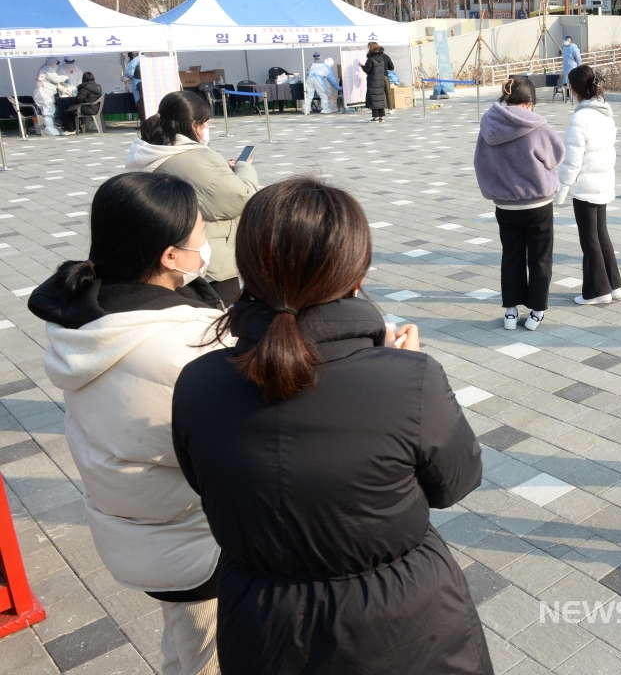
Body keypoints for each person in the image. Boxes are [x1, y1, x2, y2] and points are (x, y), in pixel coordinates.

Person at [171, 177, 490, 675]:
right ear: (353, 270)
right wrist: (403, 374)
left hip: (261, 622)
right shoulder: (409, 380)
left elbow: (204, 481)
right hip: (403, 623)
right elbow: (455, 483)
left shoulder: (197, 383)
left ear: (249, 265)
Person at [29, 173, 225, 675]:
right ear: (169, 256)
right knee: (212, 653)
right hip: (195, 540)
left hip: (141, 527)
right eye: (200, 232)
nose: (208, 242)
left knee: (183, 644)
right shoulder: (182, 346)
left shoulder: (87, 317)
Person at [125, 90, 259, 306]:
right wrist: (244, 168)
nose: (207, 129)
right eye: (205, 124)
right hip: (208, 260)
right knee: (219, 319)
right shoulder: (196, 157)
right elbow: (241, 198)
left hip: (166, 255)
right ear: (192, 124)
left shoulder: (150, 148)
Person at [474, 76, 565, 331]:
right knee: (540, 257)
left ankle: (511, 312)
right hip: (538, 203)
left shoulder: (489, 123)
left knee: (511, 256)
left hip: (505, 204)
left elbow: (480, 162)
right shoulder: (537, 125)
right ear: (529, 102)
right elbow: (556, 155)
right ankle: (536, 311)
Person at [555, 65, 621, 306]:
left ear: (574, 90)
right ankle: (613, 285)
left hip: (585, 187)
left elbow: (572, 161)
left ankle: (597, 291)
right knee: (601, 234)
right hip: (603, 182)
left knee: (590, 239)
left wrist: (561, 191)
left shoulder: (580, 118)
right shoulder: (606, 113)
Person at [34, 56, 68, 135]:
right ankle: (49, 127)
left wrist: (64, 90)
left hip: (46, 93)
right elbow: (56, 79)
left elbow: (55, 83)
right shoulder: (46, 69)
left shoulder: (46, 69)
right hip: (44, 93)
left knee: (48, 110)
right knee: (48, 110)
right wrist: (65, 77)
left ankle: (48, 126)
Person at [362, 41, 394, 122]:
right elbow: (391, 67)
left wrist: (362, 66)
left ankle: (375, 116)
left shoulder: (371, 59)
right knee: (381, 96)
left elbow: (367, 70)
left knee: (374, 97)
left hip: (373, 80)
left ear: (371, 48)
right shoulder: (382, 58)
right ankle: (383, 114)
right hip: (381, 79)